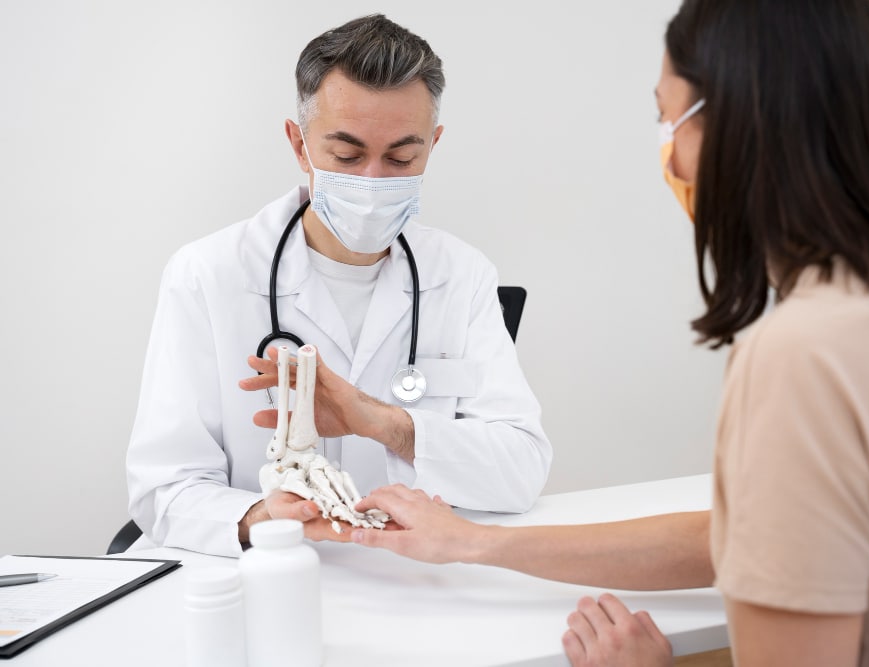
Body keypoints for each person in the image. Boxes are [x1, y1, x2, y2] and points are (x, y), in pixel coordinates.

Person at [347, 1, 869, 665]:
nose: (671, 157)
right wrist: (473, 541)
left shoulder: (805, 354)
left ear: (742, 124)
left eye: (669, 117)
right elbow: (750, 536)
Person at [126, 14, 552, 558]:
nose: (373, 181)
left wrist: (385, 424)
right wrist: (259, 517)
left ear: (432, 146)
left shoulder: (462, 275)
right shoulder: (208, 274)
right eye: (347, 156)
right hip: (266, 576)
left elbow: (521, 470)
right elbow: (163, 487)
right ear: (299, 145)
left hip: (413, 578)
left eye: (402, 156)